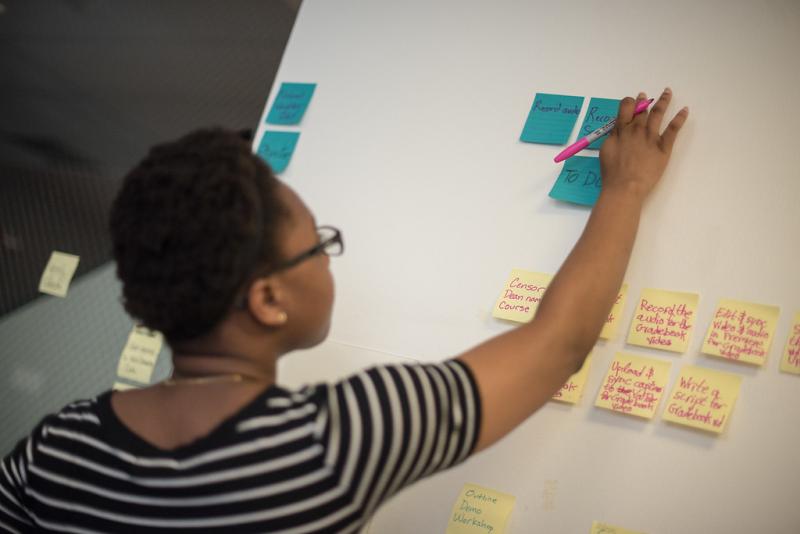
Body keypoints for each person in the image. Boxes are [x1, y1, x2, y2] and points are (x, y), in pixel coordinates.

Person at [0, 90, 687, 533]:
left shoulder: (54, 449)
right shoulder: (332, 442)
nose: (330, 258)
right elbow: (560, 343)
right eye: (319, 245)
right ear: (267, 299)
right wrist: (624, 187)